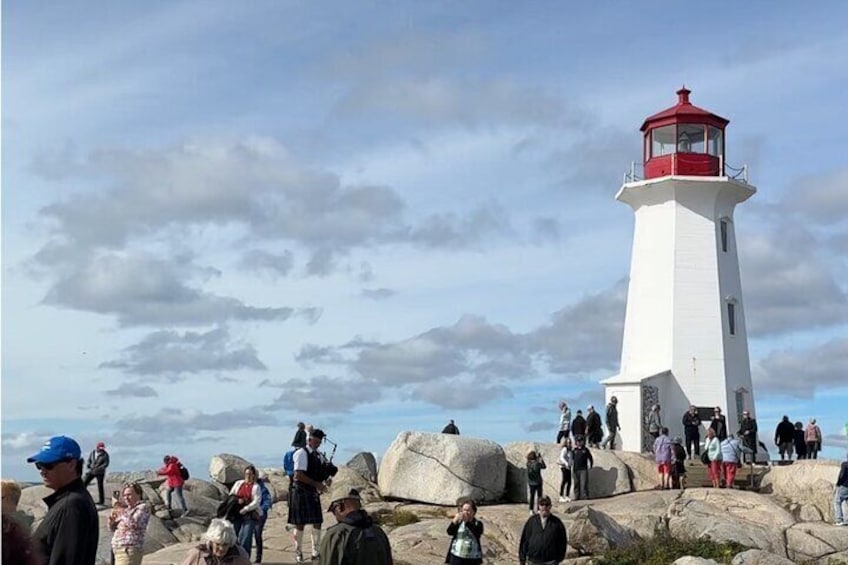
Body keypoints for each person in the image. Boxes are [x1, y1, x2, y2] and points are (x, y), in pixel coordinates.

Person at [26, 435, 99, 565]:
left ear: (71, 465)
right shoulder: (70, 500)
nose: (42, 471)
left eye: (48, 465)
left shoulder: (71, 505)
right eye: (39, 465)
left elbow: (66, 559)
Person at [319, 486, 393, 564]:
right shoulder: (378, 532)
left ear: (340, 507)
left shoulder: (337, 534)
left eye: (333, 510)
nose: (334, 515)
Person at [289, 428, 330, 563]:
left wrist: (325, 479)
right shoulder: (301, 453)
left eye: (319, 442)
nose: (318, 444)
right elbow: (298, 475)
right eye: (316, 441)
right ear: (309, 440)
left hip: (311, 491)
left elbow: (316, 472)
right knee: (300, 524)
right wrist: (317, 484)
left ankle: (315, 552)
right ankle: (298, 551)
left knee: (317, 522)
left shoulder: (317, 455)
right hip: (301, 491)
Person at [518, 495, 568, 565]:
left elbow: (562, 542)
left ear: (550, 506)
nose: (544, 507)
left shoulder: (557, 523)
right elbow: (524, 540)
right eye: (542, 504)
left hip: (550, 562)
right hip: (533, 561)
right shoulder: (532, 521)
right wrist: (522, 560)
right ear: (538, 506)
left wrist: (558, 559)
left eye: (547, 504)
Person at [109, 482, 150, 565]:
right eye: (124, 495)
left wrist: (120, 509)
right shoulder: (126, 510)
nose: (126, 498)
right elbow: (113, 529)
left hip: (129, 549)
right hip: (117, 548)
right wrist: (111, 522)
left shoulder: (143, 507)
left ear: (138, 494)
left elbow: (134, 524)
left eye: (129, 495)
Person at [182, 518, 250, 565]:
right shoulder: (197, 554)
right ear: (211, 541)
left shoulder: (239, 555)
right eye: (218, 544)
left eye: (225, 544)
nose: (221, 548)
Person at [229, 465, 262, 555]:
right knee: (234, 535)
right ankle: (235, 556)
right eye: (247, 474)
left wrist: (246, 508)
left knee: (246, 537)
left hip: (249, 515)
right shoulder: (238, 483)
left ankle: (245, 558)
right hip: (237, 514)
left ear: (254, 476)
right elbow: (231, 495)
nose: (248, 476)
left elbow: (256, 501)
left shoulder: (256, 487)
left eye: (250, 474)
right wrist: (237, 500)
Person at [444, 499, 483, 565]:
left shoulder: (478, 524)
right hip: (457, 555)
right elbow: (449, 532)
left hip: (472, 557)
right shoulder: (459, 522)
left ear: (473, 512)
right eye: (464, 510)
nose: (465, 512)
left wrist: (467, 522)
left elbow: (477, 532)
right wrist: (454, 521)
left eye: (468, 510)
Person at [253, 475, 274, 564]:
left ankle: (258, 558)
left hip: (260, 515)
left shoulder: (262, 488)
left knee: (257, 534)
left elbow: (267, 501)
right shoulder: (247, 486)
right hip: (249, 514)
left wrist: (260, 511)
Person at [83, 441, 110, 505]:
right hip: (92, 471)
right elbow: (89, 460)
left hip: (100, 472)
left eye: (102, 449)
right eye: (100, 448)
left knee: (100, 486)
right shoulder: (92, 453)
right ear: (97, 447)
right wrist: (88, 465)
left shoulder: (105, 454)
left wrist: (99, 468)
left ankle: (101, 501)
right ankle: (83, 498)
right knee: (84, 483)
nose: (101, 450)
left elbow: (106, 464)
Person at [571, 436, 593, 501]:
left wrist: (591, 465)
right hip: (575, 469)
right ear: (576, 442)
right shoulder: (574, 450)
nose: (579, 442)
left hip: (583, 469)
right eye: (578, 441)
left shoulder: (585, 450)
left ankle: (585, 496)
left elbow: (590, 458)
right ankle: (577, 497)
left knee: (584, 483)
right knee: (576, 484)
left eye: (580, 441)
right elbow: (571, 459)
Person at [526, 451, 546, 515]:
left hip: (531, 482)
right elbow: (544, 466)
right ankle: (538, 509)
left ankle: (531, 509)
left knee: (532, 496)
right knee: (539, 496)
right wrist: (541, 459)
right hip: (538, 482)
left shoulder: (528, 464)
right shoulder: (537, 464)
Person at [557, 438, 573, 503]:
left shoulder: (570, 450)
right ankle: (561, 496)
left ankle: (567, 496)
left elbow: (571, 458)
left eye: (570, 442)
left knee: (569, 481)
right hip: (563, 466)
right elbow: (561, 457)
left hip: (568, 467)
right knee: (564, 480)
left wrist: (570, 464)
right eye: (568, 442)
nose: (569, 444)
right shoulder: (565, 449)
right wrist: (566, 463)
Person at [834, 452, 848, 526]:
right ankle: (846, 520)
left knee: (837, 501)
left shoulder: (845, 464)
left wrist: (838, 483)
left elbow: (842, 475)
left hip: (844, 485)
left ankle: (839, 519)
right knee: (845, 502)